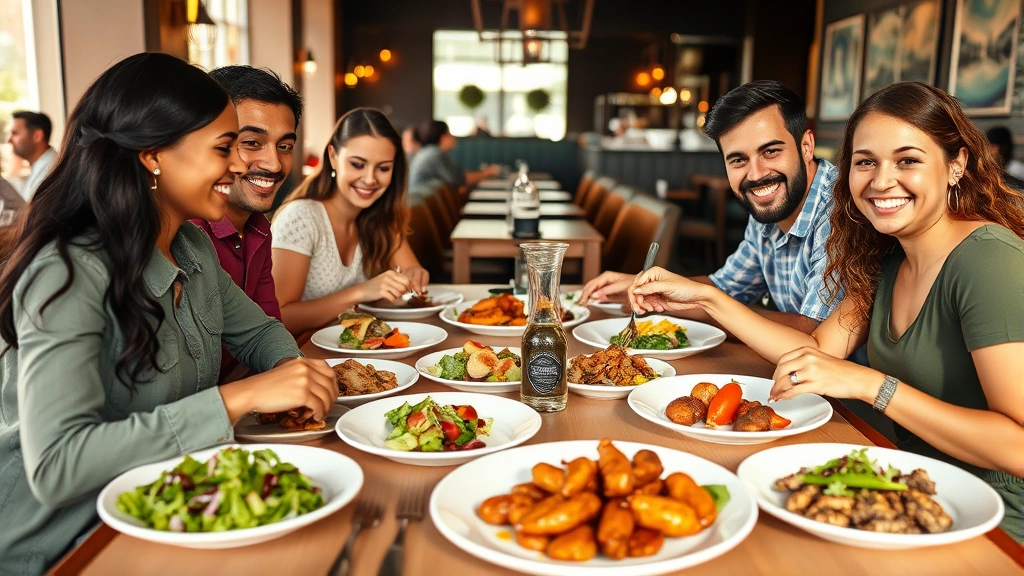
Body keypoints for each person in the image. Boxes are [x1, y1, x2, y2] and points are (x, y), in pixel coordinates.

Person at [628, 82, 1024, 542]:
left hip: (996, 520)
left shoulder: (989, 260)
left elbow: (1018, 447)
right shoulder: (888, 258)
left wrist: (871, 385)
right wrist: (707, 298)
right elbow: (815, 350)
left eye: (908, 160)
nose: (881, 180)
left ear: (955, 165)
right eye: (865, 162)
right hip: (912, 490)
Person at [0, 53, 339, 573]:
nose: (239, 166)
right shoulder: (67, 273)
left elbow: (261, 333)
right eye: (225, 148)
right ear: (153, 156)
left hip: (165, 512)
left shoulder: (189, 248)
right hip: (65, 547)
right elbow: (58, 466)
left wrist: (291, 379)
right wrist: (240, 397)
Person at [581, 80, 840, 335]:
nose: (756, 174)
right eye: (738, 159)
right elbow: (725, 287)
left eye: (770, 152)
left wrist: (709, 301)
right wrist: (651, 287)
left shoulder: (838, 211)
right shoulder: (769, 208)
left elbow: (817, 336)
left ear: (806, 147)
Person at [271, 108, 429, 335]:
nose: (370, 179)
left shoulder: (379, 217)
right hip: (300, 355)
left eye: (383, 168)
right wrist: (361, 292)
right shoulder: (301, 217)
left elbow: (411, 270)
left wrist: (415, 275)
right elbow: (280, 318)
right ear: (333, 157)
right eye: (357, 164)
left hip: (352, 352)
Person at [193, 65, 302, 383]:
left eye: (285, 146)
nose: (273, 163)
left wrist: (288, 369)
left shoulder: (259, 227)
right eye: (252, 142)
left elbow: (266, 330)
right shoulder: (183, 235)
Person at [407, 119, 500, 189]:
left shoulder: (429, 152)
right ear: (443, 138)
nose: (454, 138)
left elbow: (457, 174)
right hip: (422, 209)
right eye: (450, 134)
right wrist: (488, 172)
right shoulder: (435, 154)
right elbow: (459, 180)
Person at [7, 111, 56, 201]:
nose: (9, 140)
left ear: (37, 136)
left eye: (15, 133)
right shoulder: (42, 165)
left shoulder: (51, 169)